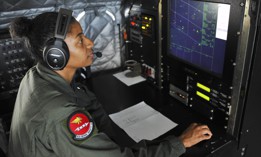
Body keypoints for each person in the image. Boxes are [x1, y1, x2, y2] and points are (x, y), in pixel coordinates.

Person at [8, 9, 212, 157]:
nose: (90, 43)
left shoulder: (36, 75)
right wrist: (180, 143)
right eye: (80, 40)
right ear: (56, 56)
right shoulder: (61, 115)